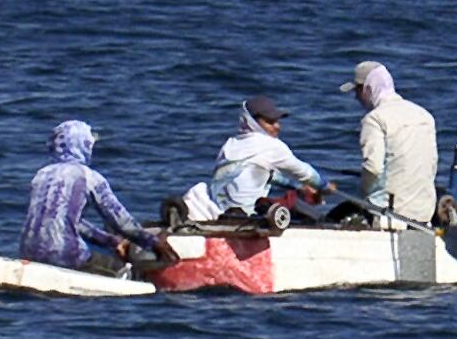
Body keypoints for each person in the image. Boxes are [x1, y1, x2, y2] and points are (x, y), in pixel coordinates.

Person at [19, 120, 175, 274]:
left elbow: (69, 221)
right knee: (125, 271)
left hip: (29, 253)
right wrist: (153, 243)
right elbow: (120, 222)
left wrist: (111, 241)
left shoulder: (41, 175)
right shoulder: (88, 176)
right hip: (66, 255)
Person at [181, 95, 333, 222]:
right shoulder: (272, 146)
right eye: (270, 122)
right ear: (252, 122)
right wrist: (324, 186)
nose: (277, 126)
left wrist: (297, 187)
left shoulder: (230, 144)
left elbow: (262, 174)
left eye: (277, 121)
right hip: (245, 217)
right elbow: (305, 172)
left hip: (218, 212)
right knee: (303, 209)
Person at [339, 61, 439, 225]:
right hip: (424, 213)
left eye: (357, 90)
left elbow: (373, 168)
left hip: (391, 215)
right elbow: (432, 164)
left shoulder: (374, 119)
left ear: (368, 89)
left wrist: (361, 196)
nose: (356, 97)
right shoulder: (424, 116)